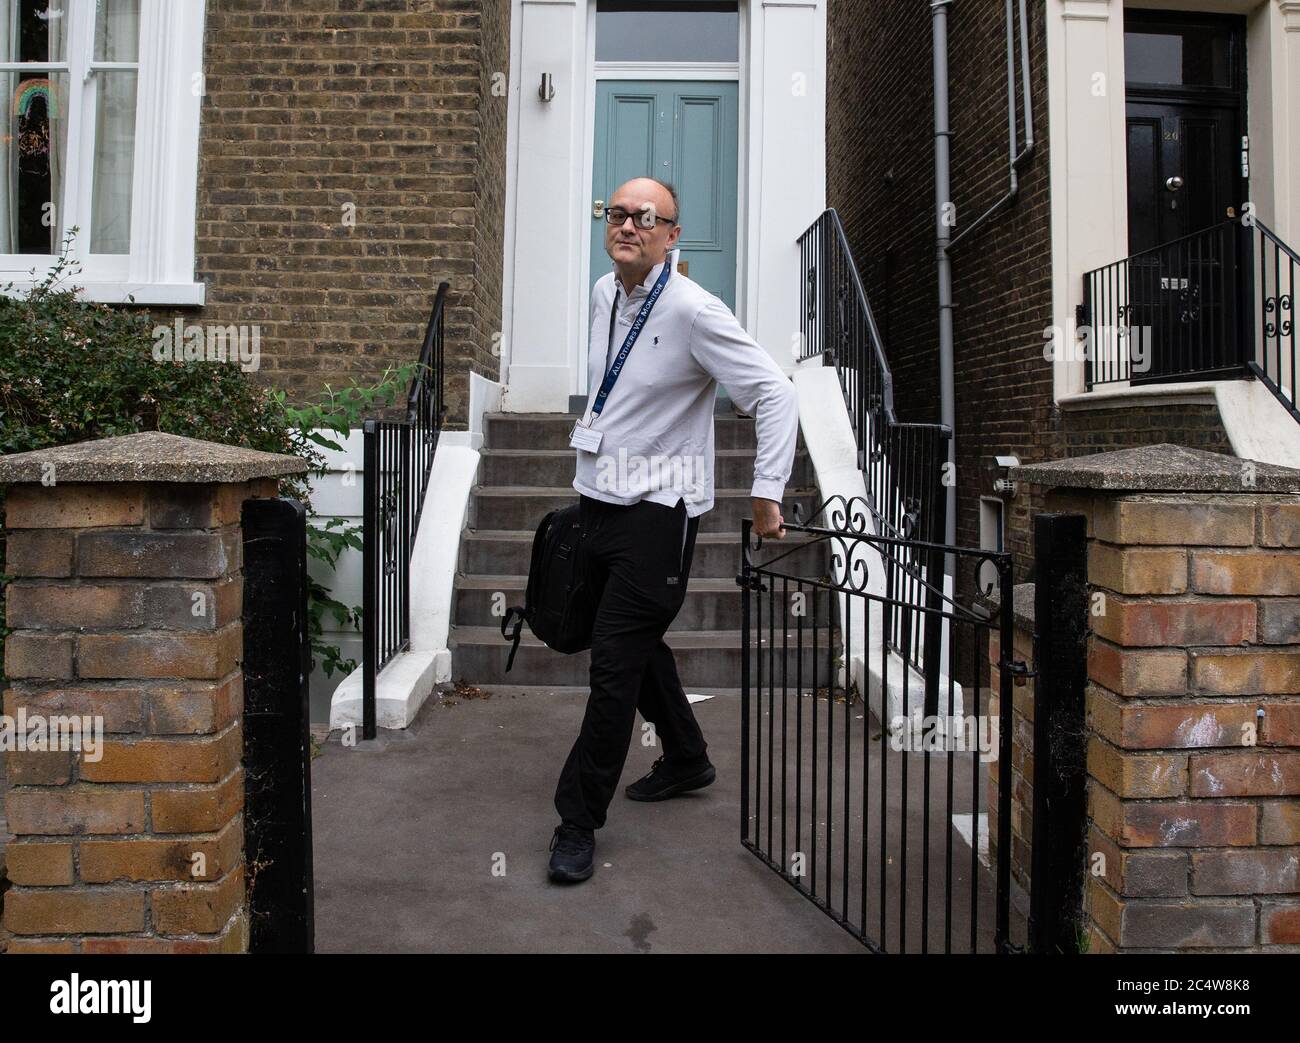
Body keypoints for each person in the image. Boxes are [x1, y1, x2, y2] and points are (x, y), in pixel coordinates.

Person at [548, 177, 799, 883]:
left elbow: (775, 393)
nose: (627, 224)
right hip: (599, 499)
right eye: (617, 212)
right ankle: (687, 756)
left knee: (612, 669)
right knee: (631, 644)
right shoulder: (603, 294)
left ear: (671, 234)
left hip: (659, 517)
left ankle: (576, 821)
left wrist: (765, 493)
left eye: (644, 217)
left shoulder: (693, 310)